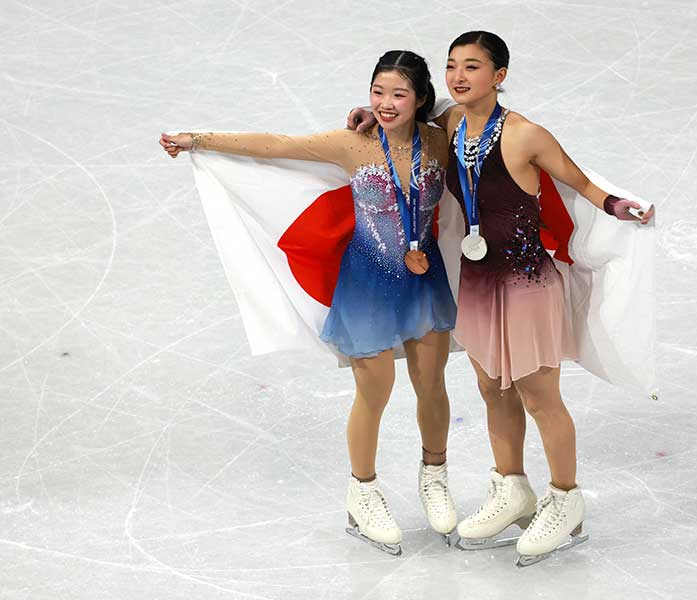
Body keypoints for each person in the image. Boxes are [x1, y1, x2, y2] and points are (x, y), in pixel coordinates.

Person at [349, 32, 654, 566]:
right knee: (493, 389)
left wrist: (621, 204)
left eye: (472, 66)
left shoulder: (526, 134)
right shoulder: (448, 125)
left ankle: (566, 501)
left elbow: (583, 184)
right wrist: (370, 113)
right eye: (451, 66)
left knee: (539, 395)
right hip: (480, 281)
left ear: (500, 76)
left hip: (528, 283)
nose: (459, 76)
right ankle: (512, 488)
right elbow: (406, 123)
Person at [160, 50, 459, 556]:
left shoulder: (439, 137)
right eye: (377, 92)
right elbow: (277, 145)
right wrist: (199, 140)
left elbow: (472, 109)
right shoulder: (353, 142)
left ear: (421, 100)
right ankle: (361, 492)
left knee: (431, 384)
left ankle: (435, 475)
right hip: (366, 284)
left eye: (399, 95)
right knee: (376, 390)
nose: (385, 104)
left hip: (423, 280)